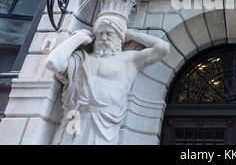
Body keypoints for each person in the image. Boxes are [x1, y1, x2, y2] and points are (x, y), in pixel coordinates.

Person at [46, 16, 170, 144]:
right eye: (100, 34)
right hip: (74, 121)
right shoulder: (81, 59)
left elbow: (162, 48)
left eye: (109, 33)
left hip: (105, 125)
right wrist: (79, 38)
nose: (104, 38)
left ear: (119, 37)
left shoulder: (128, 60)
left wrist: (130, 34)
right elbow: (52, 62)